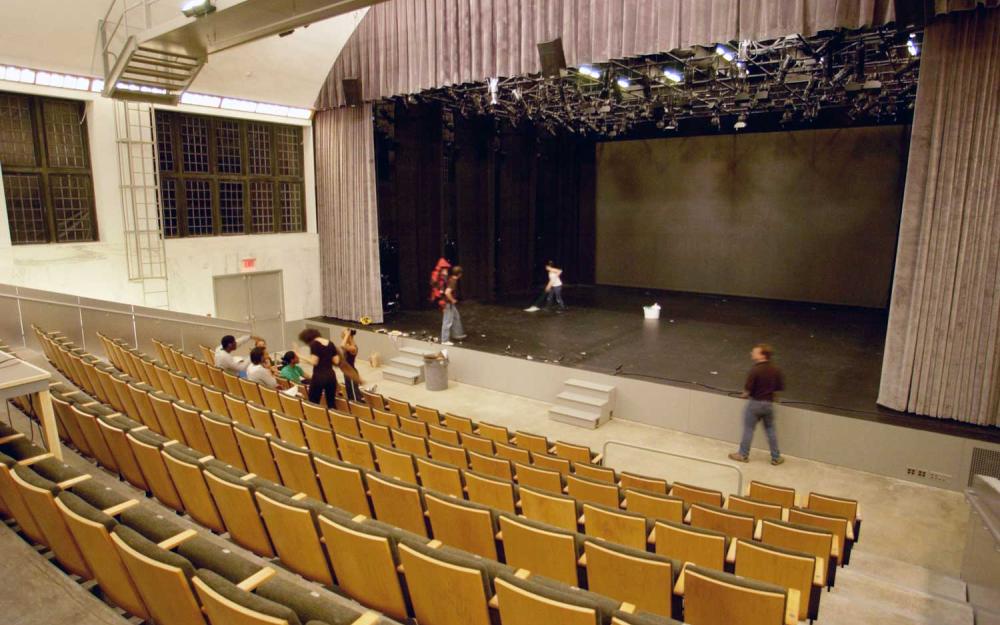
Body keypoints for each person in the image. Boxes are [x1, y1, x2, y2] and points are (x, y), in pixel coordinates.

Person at [729, 343, 785, 465]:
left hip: (755, 404)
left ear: (762, 355)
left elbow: (747, 390)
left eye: (755, 352)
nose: (752, 353)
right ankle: (776, 457)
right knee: (770, 430)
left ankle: (743, 455)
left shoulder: (755, 370)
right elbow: (778, 389)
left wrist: (743, 395)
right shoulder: (776, 370)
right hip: (768, 405)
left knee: (749, 429)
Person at [298, 328, 340, 407]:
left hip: (319, 376)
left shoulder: (314, 344)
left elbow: (314, 362)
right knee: (331, 402)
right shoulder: (331, 343)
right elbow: (337, 361)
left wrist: (300, 356)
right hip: (331, 376)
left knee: (313, 402)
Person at [440, 265, 467, 346]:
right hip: (448, 304)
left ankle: (457, 334)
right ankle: (444, 340)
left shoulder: (450, 279)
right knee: (447, 321)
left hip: (449, 303)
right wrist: (453, 300)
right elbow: (447, 292)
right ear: (459, 274)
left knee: (456, 317)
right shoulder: (453, 281)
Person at [341, 328, 361, 402]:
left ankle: (358, 410)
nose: (342, 335)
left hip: (351, 373)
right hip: (347, 372)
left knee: (354, 396)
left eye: (344, 334)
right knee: (350, 393)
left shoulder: (353, 348)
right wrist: (347, 335)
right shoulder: (349, 345)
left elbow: (342, 345)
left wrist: (347, 334)